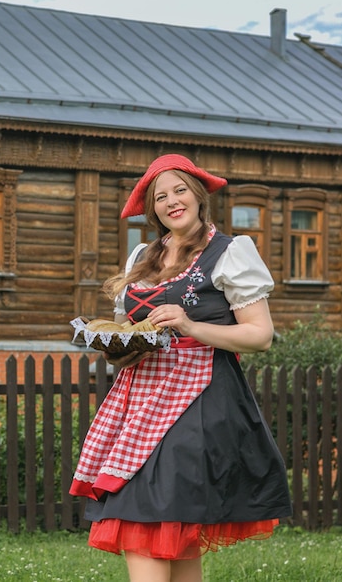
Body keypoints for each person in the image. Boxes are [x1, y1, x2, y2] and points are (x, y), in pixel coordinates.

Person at [70, 153, 292, 582]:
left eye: (179, 190)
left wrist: (191, 325)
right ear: (152, 208)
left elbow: (260, 336)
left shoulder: (230, 252)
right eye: (160, 196)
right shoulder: (143, 255)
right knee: (172, 526)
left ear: (198, 195)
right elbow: (129, 328)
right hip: (139, 401)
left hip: (199, 401)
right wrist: (118, 343)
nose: (172, 201)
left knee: (148, 513)